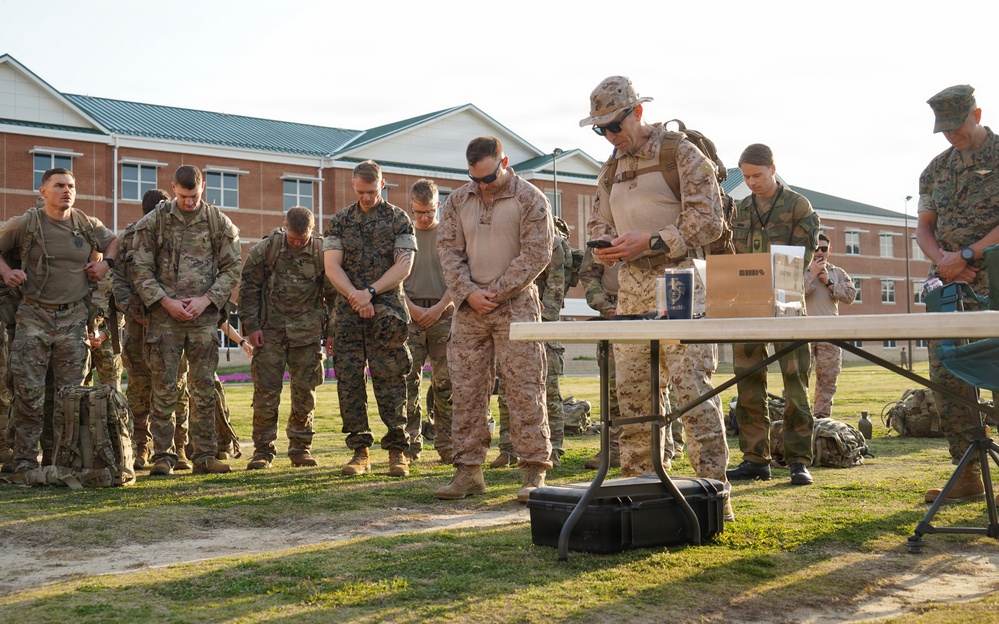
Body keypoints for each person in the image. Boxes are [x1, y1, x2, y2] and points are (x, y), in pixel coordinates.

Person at [582, 76, 732, 518]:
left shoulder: (678, 153)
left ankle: (713, 498)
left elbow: (710, 220)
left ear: (638, 113)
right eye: (601, 130)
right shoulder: (609, 169)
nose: (611, 136)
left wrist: (651, 242)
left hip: (680, 286)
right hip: (630, 293)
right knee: (634, 402)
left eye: (615, 125)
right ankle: (642, 501)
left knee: (693, 395)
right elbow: (596, 224)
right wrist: (605, 245)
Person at [435, 136, 554, 503]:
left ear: (504, 163)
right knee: (466, 391)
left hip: (516, 306)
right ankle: (468, 472)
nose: (482, 185)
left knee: (524, 389)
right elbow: (448, 250)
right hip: (470, 310)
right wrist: (468, 292)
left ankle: (534, 472)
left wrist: (497, 291)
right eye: (475, 178)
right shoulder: (457, 201)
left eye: (488, 178)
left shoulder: (530, 198)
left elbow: (537, 254)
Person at [0, 168, 118, 473]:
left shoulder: (85, 225)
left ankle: (62, 460)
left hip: (73, 318)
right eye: (59, 186)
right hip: (33, 317)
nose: (67, 191)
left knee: (69, 397)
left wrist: (107, 263)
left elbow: (115, 242)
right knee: (30, 395)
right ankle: (24, 462)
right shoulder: (26, 223)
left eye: (71, 186)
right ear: (43, 192)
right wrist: (6, 272)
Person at [917, 85, 999, 505]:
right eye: (945, 130)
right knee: (947, 378)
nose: (953, 136)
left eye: (958, 126)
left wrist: (969, 253)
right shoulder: (935, 169)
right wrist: (945, 260)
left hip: (995, 283)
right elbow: (925, 226)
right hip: (949, 286)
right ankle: (967, 474)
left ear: (977, 113)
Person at [131, 165, 241, 476]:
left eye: (193, 196)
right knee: (164, 388)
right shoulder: (155, 220)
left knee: (203, 388)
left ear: (202, 187)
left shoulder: (219, 222)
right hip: (164, 319)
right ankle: (164, 456)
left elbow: (232, 267)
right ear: (173, 188)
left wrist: (207, 300)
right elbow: (140, 268)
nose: (189, 202)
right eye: (182, 196)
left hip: (203, 319)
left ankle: (204, 456)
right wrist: (165, 301)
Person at [726, 143, 820, 486]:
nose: (752, 182)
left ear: (773, 169)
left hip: (787, 303)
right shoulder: (739, 209)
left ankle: (798, 460)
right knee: (748, 383)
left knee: (795, 384)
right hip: (748, 306)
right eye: (747, 176)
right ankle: (755, 459)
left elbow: (800, 258)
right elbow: (731, 257)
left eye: (758, 175)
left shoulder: (798, 205)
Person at [323, 160, 416, 477]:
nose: (367, 197)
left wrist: (371, 292)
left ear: (383, 184)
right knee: (349, 384)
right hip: (350, 314)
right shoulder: (339, 222)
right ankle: (360, 452)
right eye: (362, 192)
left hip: (387, 313)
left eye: (373, 191)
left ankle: (397, 452)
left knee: (392, 382)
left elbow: (404, 267)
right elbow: (332, 267)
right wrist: (355, 295)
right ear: (352, 186)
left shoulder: (398, 219)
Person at [239, 206, 333, 470]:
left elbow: (334, 296)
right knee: (266, 394)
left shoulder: (321, 252)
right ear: (284, 226)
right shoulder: (266, 249)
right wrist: (251, 326)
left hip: (307, 336)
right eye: (293, 238)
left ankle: (300, 449)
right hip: (270, 333)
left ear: (312, 230)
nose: (297, 242)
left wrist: (331, 334)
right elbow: (248, 288)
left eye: (302, 238)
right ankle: (262, 451)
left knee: (304, 394)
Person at [491, 217, 569, 469]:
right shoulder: (507, 242)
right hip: (512, 322)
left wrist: (540, 325)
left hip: (542, 325)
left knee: (549, 389)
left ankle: (554, 447)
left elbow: (555, 289)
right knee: (506, 389)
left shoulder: (552, 242)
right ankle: (507, 448)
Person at [113, 188, 169, 469]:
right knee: (139, 389)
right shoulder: (129, 238)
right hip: (139, 328)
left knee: (173, 388)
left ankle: (173, 451)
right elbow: (119, 282)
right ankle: (139, 448)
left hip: (170, 326)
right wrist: (136, 314)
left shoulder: (175, 236)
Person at [402, 179, 455, 464]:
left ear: (438, 205)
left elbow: (460, 274)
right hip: (410, 315)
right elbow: (395, 277)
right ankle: (410, 445)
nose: (423, 218)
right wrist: (410, 308)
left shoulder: (449, 233)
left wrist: (440, 306)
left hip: (443, 314)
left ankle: (447, 445)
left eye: (429, 212)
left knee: (445, 383)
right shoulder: (403, 234)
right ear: (411, 206)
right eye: (418, 212)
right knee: (409, 382)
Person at [804, 233, 857, 419]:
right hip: (803, 335)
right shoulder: (800, 270)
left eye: (823, 249)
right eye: (816, 248)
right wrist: (811, 275)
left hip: (830, 334)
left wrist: (829, 283)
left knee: (828, 380)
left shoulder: (837, 273)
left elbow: (851, 296)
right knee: (799, 379)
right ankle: (800, 419)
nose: (819, 252)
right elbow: (790, 294)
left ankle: (822, 419)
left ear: (829, 251)